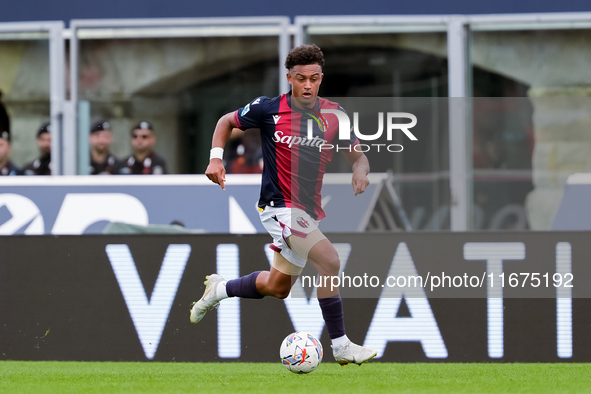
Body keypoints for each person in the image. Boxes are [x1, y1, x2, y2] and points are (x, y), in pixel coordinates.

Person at [191, 44, 377, 365]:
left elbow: (358, 156)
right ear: (289, 78)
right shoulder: (268, 109)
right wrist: (216, 159)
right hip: (279, 207)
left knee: (278, 287)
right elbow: (226, 122)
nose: (308, 85)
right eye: (301, 78)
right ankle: (341, 345)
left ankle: (221, 289)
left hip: (306, 213)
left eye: (314, 78)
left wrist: (360, 171)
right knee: (330, 262)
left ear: (321, 78)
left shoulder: (335, 115)